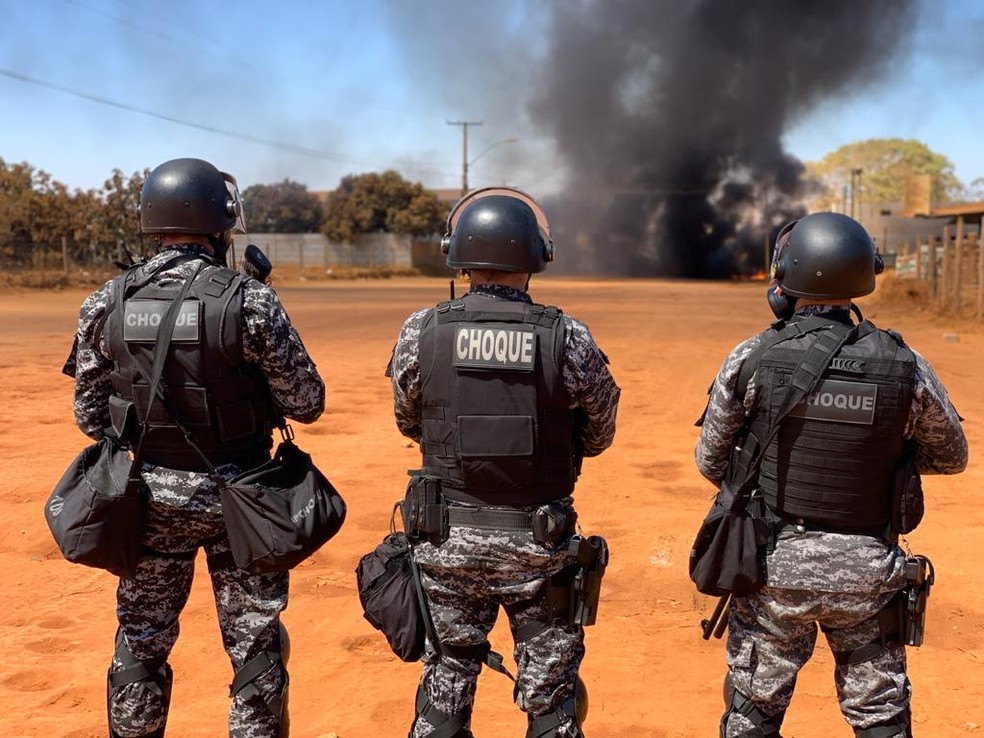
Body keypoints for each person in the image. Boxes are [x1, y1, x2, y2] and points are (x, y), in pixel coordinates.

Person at [69, 157, 325, 738]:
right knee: (255, 647)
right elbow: (307, 401)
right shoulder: (248, 300)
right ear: (220, 222)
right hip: (246, 501)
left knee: (141, 642)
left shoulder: (106, 300)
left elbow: (89, 417)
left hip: (150, 497)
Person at [695, 212, 968, 738]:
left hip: (773, 568)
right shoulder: (904, 363)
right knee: (881, 719)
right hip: (869, 572)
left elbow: (711, 462)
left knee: (752, 712)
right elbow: (950, 455)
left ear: (785, 276)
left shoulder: (752, 356)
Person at [386, 187, 620, 738]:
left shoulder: (422, 330)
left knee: (443, 696)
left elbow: (407, 418)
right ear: (537, 258)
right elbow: (601, 428)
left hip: (445, 539)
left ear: (459, 255)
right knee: (550, 704)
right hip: (537, 544)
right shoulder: (566, 336)